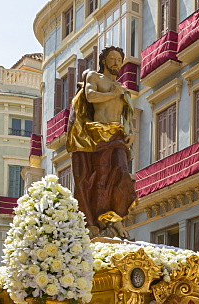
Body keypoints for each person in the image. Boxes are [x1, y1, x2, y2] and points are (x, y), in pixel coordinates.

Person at [67, 44, 136, 237]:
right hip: (97, 134)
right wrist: (113, 93)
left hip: (117, 136)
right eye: (112, 58)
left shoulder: (124, 90)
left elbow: (128, 117)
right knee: (99, 178)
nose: (116, 63)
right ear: (104, 61)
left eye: (119, 60)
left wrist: (132, 131)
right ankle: (96, 221)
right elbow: (90, 96)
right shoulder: (94, 77)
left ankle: (116, 218)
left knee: (121, 174)